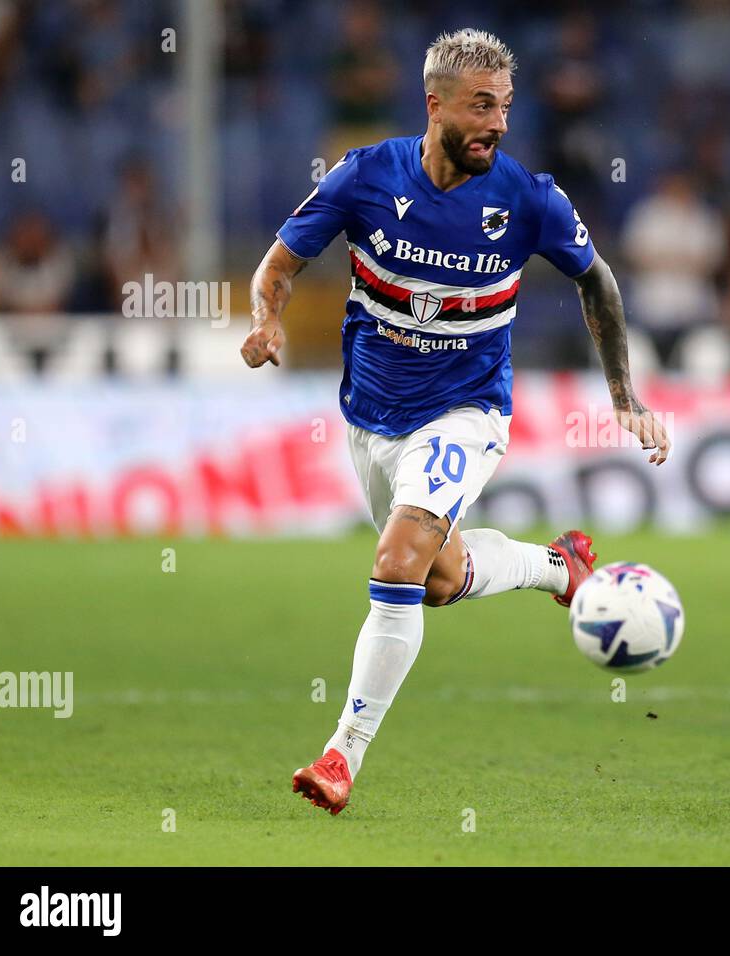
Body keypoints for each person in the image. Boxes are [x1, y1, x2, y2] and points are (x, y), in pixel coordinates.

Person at [241, 28, 671, 816]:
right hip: (371, 419)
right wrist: (269, 321)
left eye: (505, 107)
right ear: (433, 103)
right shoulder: (366, 175)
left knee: (399, 558)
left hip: (466, 413)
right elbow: (279, 264)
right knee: (436, 581)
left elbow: (598, 282)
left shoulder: (528, 198)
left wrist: (624, 395)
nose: (497, 124)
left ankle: (342, 756)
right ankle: (557, 566)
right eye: (481, 106)